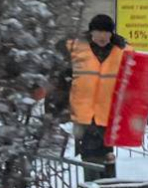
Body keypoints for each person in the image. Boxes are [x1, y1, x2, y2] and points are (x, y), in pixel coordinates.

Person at [51, 14, 130, 179]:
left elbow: (134, 82)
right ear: (91, 31)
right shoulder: (76, 49)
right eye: (98, 31)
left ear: (112, 33)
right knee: (91, 157)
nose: (102, 36)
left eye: (106, 32)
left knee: (107, 157)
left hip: (108, 115)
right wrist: (55, 107)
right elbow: (59, 81)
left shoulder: (122, 52)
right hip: (84, 116)